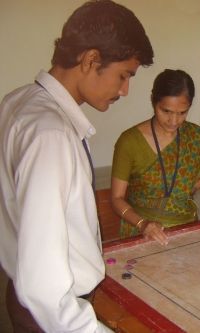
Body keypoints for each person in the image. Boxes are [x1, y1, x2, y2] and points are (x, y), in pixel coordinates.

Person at [0, 1, 154, 332]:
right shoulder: (51, 133)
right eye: (124, 75)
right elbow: (44, 287)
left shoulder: (17, 101)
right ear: (90, 60)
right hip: (54, 314)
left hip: (19, 288)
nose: (125, 90)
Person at [110, 69, 200, 244]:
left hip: (186, 231)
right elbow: (116, 198)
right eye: (166, 111)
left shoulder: (195, 135)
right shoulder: (129, 141)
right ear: (153, 101)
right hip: (141, 233)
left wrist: (191, 187)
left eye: (182, 113)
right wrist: (143, 224)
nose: (174, 121)